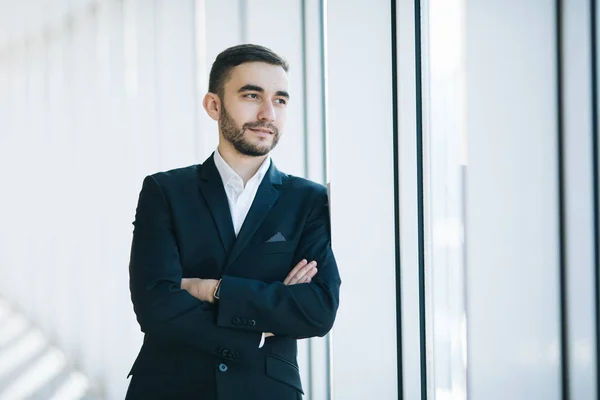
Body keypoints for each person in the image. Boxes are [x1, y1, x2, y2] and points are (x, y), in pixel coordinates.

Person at [126, 44, 341, 400]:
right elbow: (155, 307)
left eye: (280, 100)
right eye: (252, 95)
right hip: (169, 386)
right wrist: (255, 330)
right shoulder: (164, 191)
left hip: (266, 389)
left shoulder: (309, 200)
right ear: (214, 105)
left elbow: (317, 309)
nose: (267, 113)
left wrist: (214, 290)